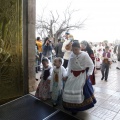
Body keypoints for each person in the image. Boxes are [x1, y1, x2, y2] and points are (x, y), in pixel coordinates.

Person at [62, 42, 96, 115]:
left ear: (80, 48)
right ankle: (71, 107)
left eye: (76, 49)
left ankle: (79, 107)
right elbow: (69, 67)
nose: (74, 51)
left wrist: (88, 74)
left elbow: (91, 65)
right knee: (69, 89)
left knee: (81, 90)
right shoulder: (71, 55)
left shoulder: (84, 55)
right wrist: (67, 75)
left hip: (81, 75)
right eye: (73, 50)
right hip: (72, 75)